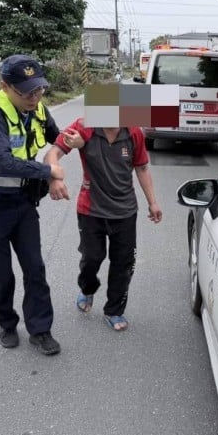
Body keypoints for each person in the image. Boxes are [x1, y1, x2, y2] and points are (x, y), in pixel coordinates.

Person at [0, 54, 66, 355]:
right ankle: (7, 324)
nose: (34, 97)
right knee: (0, 275)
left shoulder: (37, 107)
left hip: (22, 204)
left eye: (39, 89)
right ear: (5, 87)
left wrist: (76, 138)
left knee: (35, 269)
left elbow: (57, 137)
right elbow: (4, 161)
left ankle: (41, 330)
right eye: (26, 92)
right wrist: (48, 171)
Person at [44, 120, 162, 332]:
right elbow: (52, 154)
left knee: (124, 263)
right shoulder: (84, 127)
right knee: (91, 258)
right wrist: (55, 178)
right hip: (91, 210)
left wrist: (152, 202)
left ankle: (114, 310)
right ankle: (87, 288)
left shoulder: (134, 132)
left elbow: (142, 168)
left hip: (125, 211)